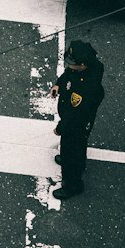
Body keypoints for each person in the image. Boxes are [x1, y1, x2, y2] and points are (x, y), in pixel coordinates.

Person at [51, 40, 105, 200]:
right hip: (77, 119)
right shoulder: (87, 67)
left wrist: (60, 128)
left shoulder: (86, 88)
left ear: (83, 65)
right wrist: (58, 84)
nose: (70, 66)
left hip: (76, 124)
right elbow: (68, 74)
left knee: (72, 151)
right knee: (77, 148)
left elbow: (75, 116)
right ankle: (77, 163)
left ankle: (72, 186)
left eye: (73, 64)